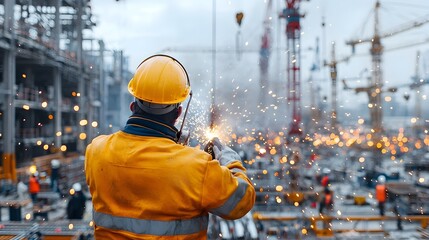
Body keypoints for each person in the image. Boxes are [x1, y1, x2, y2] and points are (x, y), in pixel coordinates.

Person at [85, 54, 255, 239]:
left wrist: (175, 148)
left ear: (133, 105)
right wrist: (229, 159)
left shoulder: (96, 150)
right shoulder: (197, 168)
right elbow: (241, 203)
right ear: (178, 113)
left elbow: (142, 177)